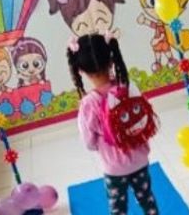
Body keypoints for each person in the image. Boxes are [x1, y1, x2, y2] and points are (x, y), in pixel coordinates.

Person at [67, 34, 160, 215]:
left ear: (80, 70)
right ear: (111, 61)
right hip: (140, 160)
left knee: (118, 207)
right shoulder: (128, 87)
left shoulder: (89, 103)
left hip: (114, 168)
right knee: (147, 198)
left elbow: (89, 143)